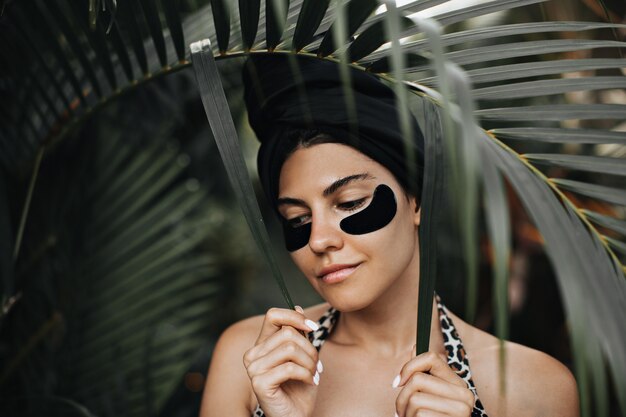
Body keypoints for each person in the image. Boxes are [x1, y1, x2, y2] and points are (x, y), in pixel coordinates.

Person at [199, 55, 579, 417]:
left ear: (416, 201)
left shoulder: (533, 386)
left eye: (349, 202)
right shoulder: (251, 361)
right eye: (297, 219)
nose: (319, 240)